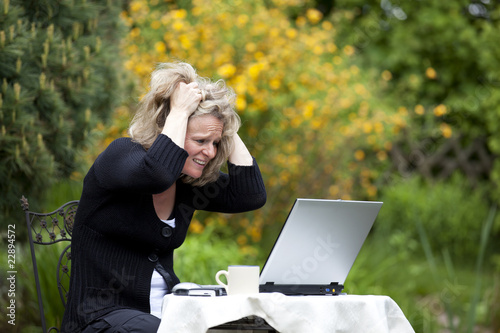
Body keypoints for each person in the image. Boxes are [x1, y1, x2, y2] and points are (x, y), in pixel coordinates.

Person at [61, 62, 267, 333]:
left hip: (166, 317)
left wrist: (224, 122)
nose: (211, 152)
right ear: (170, 127)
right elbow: (156, 175)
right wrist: (180, 110)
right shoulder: (120, 155)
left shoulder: (189, 181)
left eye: (215, 144)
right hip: (99, 318)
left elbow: (249, 195)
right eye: (201, 141)